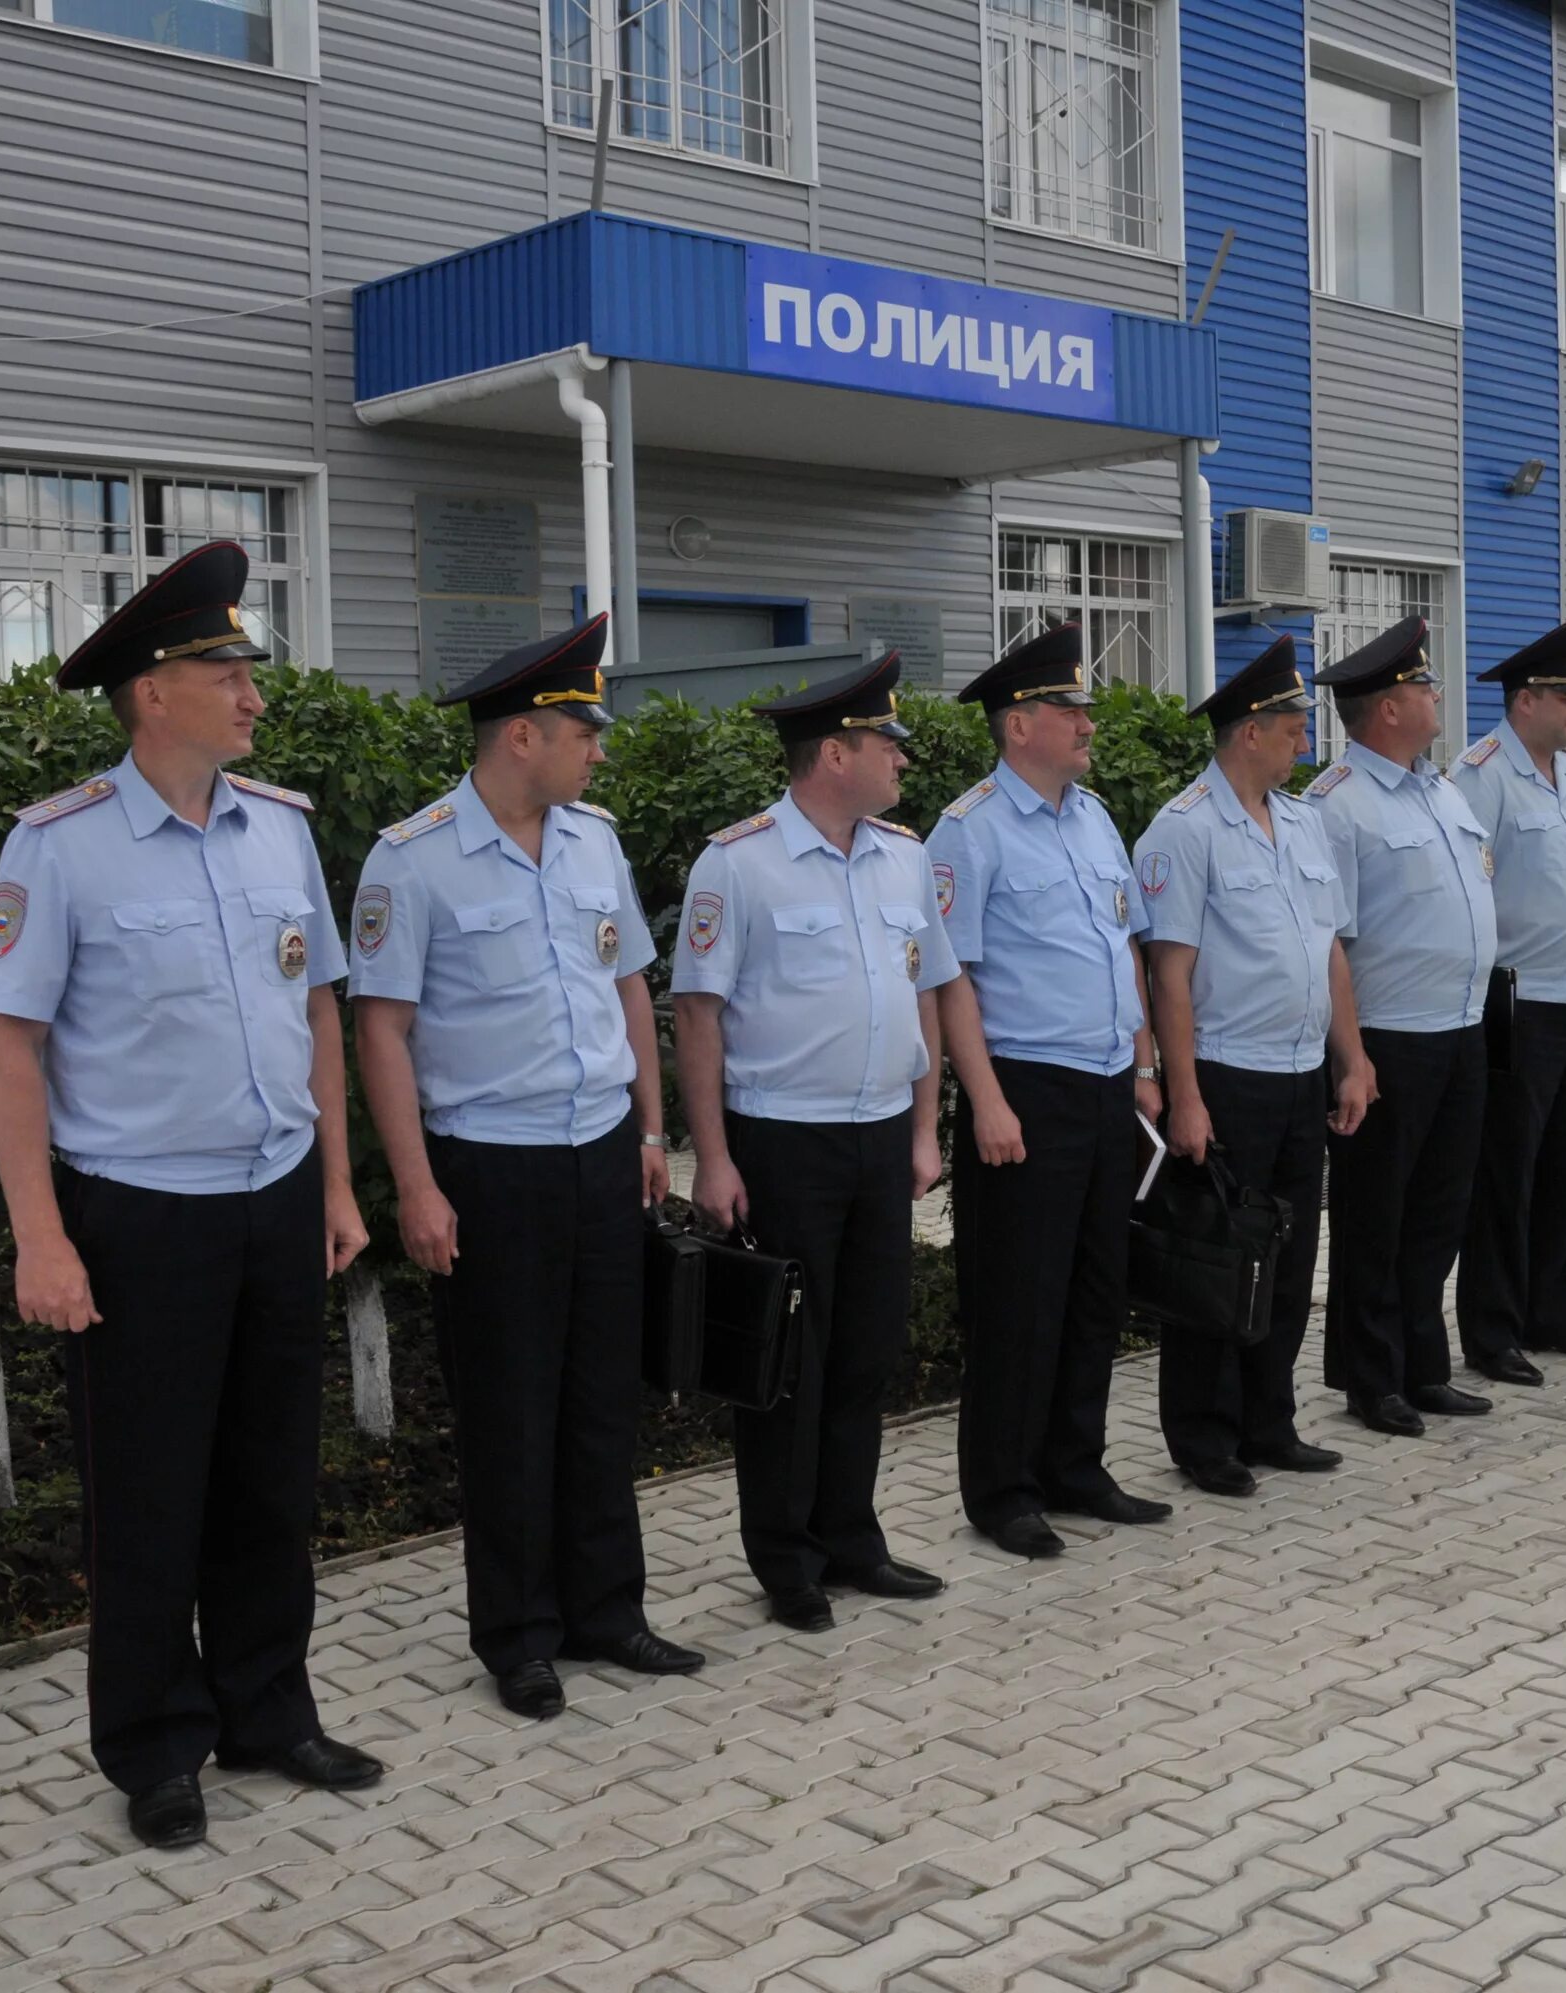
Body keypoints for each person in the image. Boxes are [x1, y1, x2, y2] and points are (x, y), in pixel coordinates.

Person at [0, 540, 380, 1852]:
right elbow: (9, 1046)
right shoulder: (62, 849)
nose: (255, 694)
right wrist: (41, 1237)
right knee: (149, 1491)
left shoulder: (283, 832)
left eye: (250, 671)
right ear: (154, 691)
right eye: (229, 670)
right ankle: (154, 1742)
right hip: (139, 1214)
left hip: (272, 1195)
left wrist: (333, 1175)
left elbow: (316, 1002)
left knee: (270, 1479)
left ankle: (269, 1707)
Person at [350, 615, 701, 1719]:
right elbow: (382, 1031)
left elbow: (631, 991)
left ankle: (609, 1608)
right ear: (519, 737)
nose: (599, 747)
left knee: (603, 1393)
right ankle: (520, 1633)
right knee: (509, 1406)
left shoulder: (593, 840)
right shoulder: (414, 861)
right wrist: (416, 1186)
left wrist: (651, 1132)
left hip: (601, 1155)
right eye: (581, 729)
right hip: (489, 1167)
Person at [672, 649, 958, 1627]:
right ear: (835, 754)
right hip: (781, 1140)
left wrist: (925, 1127)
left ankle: (852, 1536)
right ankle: (785, 1557)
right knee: (790, 1355)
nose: (901, 761)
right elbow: (700, 1016)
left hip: (880, 1137)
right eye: (888, 744)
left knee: (869, 1347)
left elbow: (924, 993)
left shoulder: (904, 855)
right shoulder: (739, 862)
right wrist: (711, 1157)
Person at [926, 622, 1174, 1559]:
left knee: (1095, 1289)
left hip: (1110, 1084)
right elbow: (952, 981)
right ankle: (1004, 1489)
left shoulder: (1094, 816)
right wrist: (983, 1100)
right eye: (1071, 710)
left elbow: (1129, 951)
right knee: (1017, 1299)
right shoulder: (969, 829)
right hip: (1026, 1089)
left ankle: (1077, 1462)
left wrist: (1146, 1067)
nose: (1087, 724)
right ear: (1019, 723)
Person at [1132, 635, 1375, 1495]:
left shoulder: (1305, 821)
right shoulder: (1185, 829)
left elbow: (1330, 953)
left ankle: (1271, 1421)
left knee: (1290, 1255)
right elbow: (1169, 975)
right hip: (1228, 1077)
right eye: (1291, 722)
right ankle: (1205, 1438)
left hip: (1301, 1071)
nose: (1304, 735)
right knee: (1218, 1261)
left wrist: (1352, 1059)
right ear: (1248, 731)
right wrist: (1184, 1096)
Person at [1307, 617, 1502, 1437]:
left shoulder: (1442, 791)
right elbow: (1330, 943)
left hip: (1460, 1028)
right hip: (1388, 1037)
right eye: (1423, 686)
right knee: (1375, 1216)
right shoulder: (1336, 805)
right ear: (1387, 708)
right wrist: (1352, 1055)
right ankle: (1369, 1374)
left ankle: (1424, 1363)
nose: (1435, 696)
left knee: (1439, 1211)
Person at [1450, 618, 1566, 1383]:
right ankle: (1493, 1332)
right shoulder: (1480, 774)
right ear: (1526, 699)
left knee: (1563, 1168)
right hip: (1516, 1001)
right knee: (1506, 1174)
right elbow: (1469, 892)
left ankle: (1554, 1312)